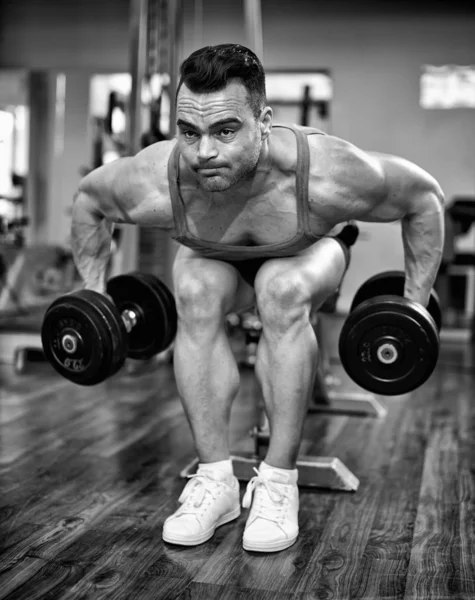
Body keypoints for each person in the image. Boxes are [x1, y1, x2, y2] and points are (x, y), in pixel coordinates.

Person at [71, 43, 444, 553]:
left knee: (281, 290)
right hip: (216, 259)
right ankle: (216, 482)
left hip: (308, 250)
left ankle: (277, 483)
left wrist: (415, 306)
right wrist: (94, 300)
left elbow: (423, 198)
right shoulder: (161, 179)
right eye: (189, 132)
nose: (204, 152)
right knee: (194, 289)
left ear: (264, 121)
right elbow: (90, 201)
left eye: (225, 130)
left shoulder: (326, 174)